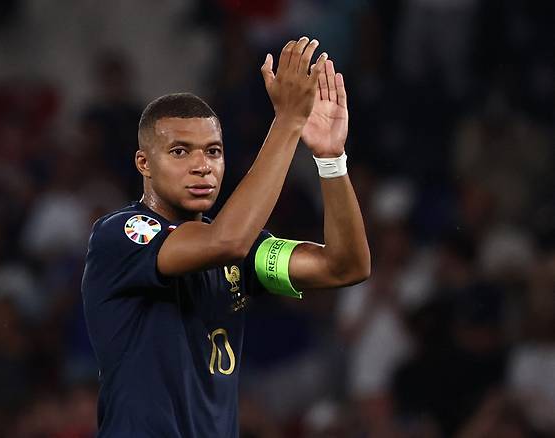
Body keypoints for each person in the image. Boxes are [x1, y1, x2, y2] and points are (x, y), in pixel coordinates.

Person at [81, 36, 370, 437]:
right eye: (180, 152)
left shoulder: (243, 247)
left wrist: (331, 158)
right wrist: (287, 120)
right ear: (144, 163)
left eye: (213, 151)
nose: (202, 166)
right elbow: (225, 241)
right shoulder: (122, 234)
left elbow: (345, 267)